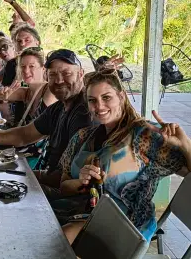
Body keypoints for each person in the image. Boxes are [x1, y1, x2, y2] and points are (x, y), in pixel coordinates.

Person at [58, 69, 191, 243]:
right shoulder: (83, 136)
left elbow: (188, 172)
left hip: (124, 223)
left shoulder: (144, 135)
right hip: (81, 211)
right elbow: (63, 186)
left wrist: (185, 145)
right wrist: (81, 182)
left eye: (106, 98)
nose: (99, 106)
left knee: (61, 239)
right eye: (92, 100)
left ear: (121, 97)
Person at [0, 49, 92, 197]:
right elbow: (25, 134)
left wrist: (24, 176)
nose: (59, 80)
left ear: (80, 73)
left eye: (66, 73)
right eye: (53, 75)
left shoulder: (84, 112)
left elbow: (69, 177)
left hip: (65, 195)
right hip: (48, 177)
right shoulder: (59, 107)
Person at [0, 47, 57, 127]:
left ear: (43, 69)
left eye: (31, 66)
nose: (26, 71)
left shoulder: (49, 91)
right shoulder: (26, 91)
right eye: (23, 66)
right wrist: (1, 93)